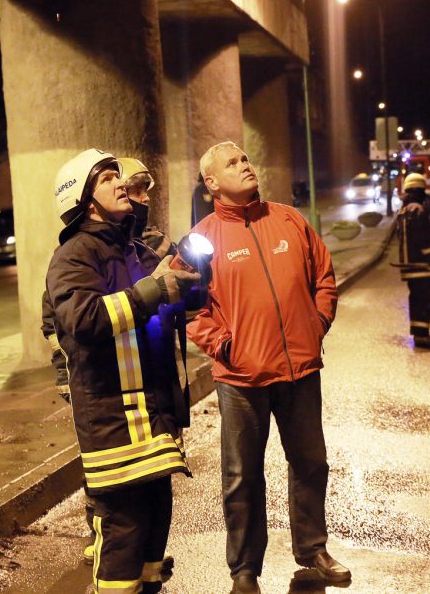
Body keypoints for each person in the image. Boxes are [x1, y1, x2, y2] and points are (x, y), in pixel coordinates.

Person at [187, 141, 350, 594]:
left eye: (245, 159)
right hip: (241, 379)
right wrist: (223, 346)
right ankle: (244, 570)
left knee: (311, 463)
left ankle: (312, 549)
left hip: (300, 370)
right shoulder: (202, 240)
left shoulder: (289, 220)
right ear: (212, 182)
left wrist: (316, 323)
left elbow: (324, 276)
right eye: (233, 163)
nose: (246, 165)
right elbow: (188, 309)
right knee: (241, 477)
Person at [46, 148, 199, 594]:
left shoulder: (134, 249)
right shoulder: (74, 256)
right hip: (114, 418)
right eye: (108, 178)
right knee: (124, 532)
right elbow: (85, 320)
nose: (120, 184)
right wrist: (152, 291)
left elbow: (170, 304)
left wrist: (191, 286)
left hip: (152, 412)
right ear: (85, 199)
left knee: (154, 525)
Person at [393, 172, 430, 349]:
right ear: (420, 190)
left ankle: (419, 334)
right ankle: (422, 336)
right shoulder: (418, 210)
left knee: (417, 299)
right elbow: (424, 240)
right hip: (422, 265)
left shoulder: (404, 210)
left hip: (409, 266)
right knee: (427, 299)